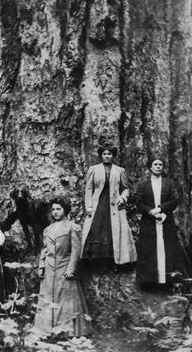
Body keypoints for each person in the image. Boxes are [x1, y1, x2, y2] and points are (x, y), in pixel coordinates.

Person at [34, 196, 91, 337]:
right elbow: (44, 250)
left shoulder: (73, 227)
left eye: (58, 209)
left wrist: (71, 268)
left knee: (66, 300)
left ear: (65, 210)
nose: (55, 212)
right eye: (53, 209)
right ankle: (46, 330)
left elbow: (76, 250)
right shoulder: (48, 229)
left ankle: (68, 332)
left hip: (63, 268)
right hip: (49, 270)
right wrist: (41, 267)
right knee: (47, 299)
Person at [81, 142, 137, 270]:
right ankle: (96, 263)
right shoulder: (93, 169)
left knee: (114, 232)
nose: (107, 156)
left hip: (114, 207)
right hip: (98, 206)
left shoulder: (119, 170)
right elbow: (88, 189)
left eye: (109, 154)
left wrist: (122, 198)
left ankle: (114, 262)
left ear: (113, 156)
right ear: (101, 155)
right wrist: (88, 206)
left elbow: (125, 188)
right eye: (104, 154)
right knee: (96, 231)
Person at [136, 156, 187, 289]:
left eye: (160, 164)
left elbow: (175, 200)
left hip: (166, 221)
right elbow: (139, 202)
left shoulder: (169, 183)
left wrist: (161, 210)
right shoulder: (143, 184)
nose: (158, 166)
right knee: (149, 251)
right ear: (150, 167)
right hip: (149, 223)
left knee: (167, 250)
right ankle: (149, 282)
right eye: (155, 164)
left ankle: (167, 282)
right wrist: (151, 212)